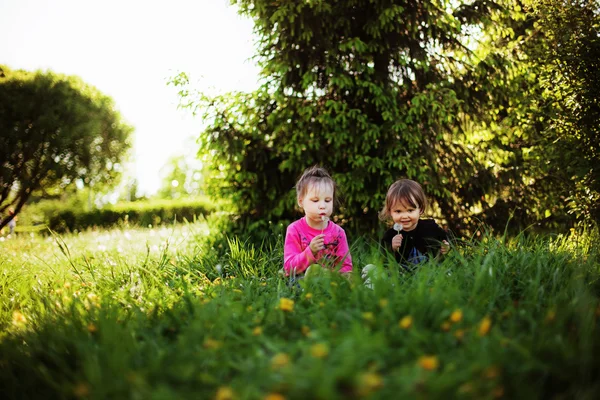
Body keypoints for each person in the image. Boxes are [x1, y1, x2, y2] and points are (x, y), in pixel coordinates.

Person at [363, 179, 449, 284]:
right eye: (398, 211)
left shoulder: (430, 227)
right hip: (401, 274)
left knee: (446, 273)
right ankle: (374, 285)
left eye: (410, 210)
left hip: (428, 271)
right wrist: (392, 248)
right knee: (372, 268)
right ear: (390, 212)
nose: (404, 216)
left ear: (420, 210)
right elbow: (383, 260)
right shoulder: (390, 235)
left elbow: (446, 238)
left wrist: (446, 247)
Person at [283, 166, 353, 278]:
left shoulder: (338, 233)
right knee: (314, 270)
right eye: (315, 200)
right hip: (302, 283)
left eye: (327, 200)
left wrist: (342, 278)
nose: (322, 206)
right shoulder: (294, 230)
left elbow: (346, 267)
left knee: (370, 270)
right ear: (301, 202)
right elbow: (289, 268)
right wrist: (310, 251)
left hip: (332, 284)